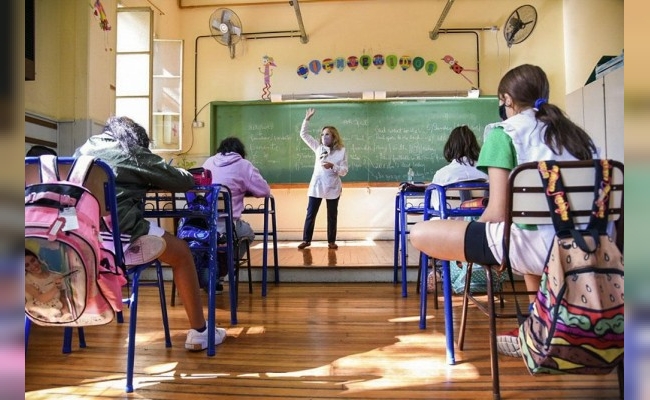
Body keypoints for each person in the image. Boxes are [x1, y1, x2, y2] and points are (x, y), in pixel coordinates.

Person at [409, 64, 598, 358]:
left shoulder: (503, 133)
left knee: (421, 232)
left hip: (535, 249)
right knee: (525, 231)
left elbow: (497, 212)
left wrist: (468, 247)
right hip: (589, 245)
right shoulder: (577, 137)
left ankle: (540, 327)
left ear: (507, 99)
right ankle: (541, 324)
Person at [73, 115, 227, 351]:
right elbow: (181, 181)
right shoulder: (131, 151)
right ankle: (200, 332)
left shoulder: (82, 150)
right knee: (182, 253)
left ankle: (73, 335)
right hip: (121, 240)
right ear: (136, 138)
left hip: (83, 241)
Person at [202, 137, 271, 290]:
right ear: (240, 152)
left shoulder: (208, 163)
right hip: (228, 226)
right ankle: (222, 271)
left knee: (217, 239)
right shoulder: (244, 165)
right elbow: (264, 191)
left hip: (204, 224)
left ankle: (211, 271)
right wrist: (244, 188)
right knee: (248, 233)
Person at [426, 125, 488, 292]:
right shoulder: (487, 172)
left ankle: (440, 270)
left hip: (451, 233)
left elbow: (436, 209)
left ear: (450, 147)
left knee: (434, 227)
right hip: (482, 231)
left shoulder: (442, 174)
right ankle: (476, 272)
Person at [297, 108, 348, 250]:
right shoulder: (318, 148)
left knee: (332, 215)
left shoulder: (341, 151)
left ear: (334, 137)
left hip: (333, 186)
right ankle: (306, 240)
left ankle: (331, 241)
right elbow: (304, 135)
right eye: (322, 134)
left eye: (327, 134)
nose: (324, 137)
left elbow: (344, 171)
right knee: (311, 213)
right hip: (317, 185)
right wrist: (306, 120)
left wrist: (333, 166)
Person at [25, 248, 73, 322]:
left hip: (57, 310)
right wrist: (56, 287)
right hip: (38, 313)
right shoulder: (26, 281)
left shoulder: (55, 276)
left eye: (33, 260)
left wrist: (66, 313)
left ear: (38, 259)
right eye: (27, 265)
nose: (33, 266)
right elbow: (42, 299)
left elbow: (63, 297)